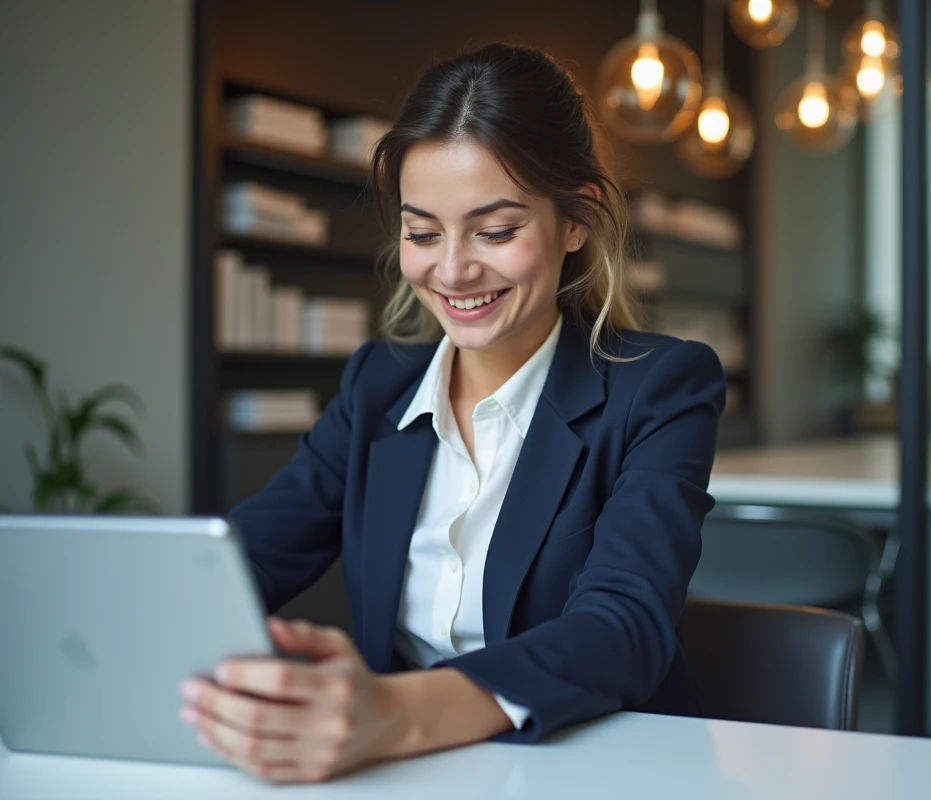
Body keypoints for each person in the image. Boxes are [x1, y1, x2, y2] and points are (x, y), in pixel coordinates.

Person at [177, 42, 726, 784]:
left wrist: (396, 712)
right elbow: (242, 559)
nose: (454, 269)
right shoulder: (379, 385)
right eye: (423, 232)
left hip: (598, 773)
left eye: (495, 231)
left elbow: (621, 629)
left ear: (577, 221)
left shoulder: (660, 388)